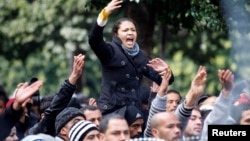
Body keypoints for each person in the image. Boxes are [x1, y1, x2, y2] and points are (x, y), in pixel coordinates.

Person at [88, 0, 174, 116]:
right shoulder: (110, 50)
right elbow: (94, 40)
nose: (130, 33)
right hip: (112, 111)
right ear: (116, 34)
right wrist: (103, 15)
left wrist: (165, 71)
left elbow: (163, 81)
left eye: (133, 30)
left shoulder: (140, 56)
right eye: (125, 30)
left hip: (133, 112)